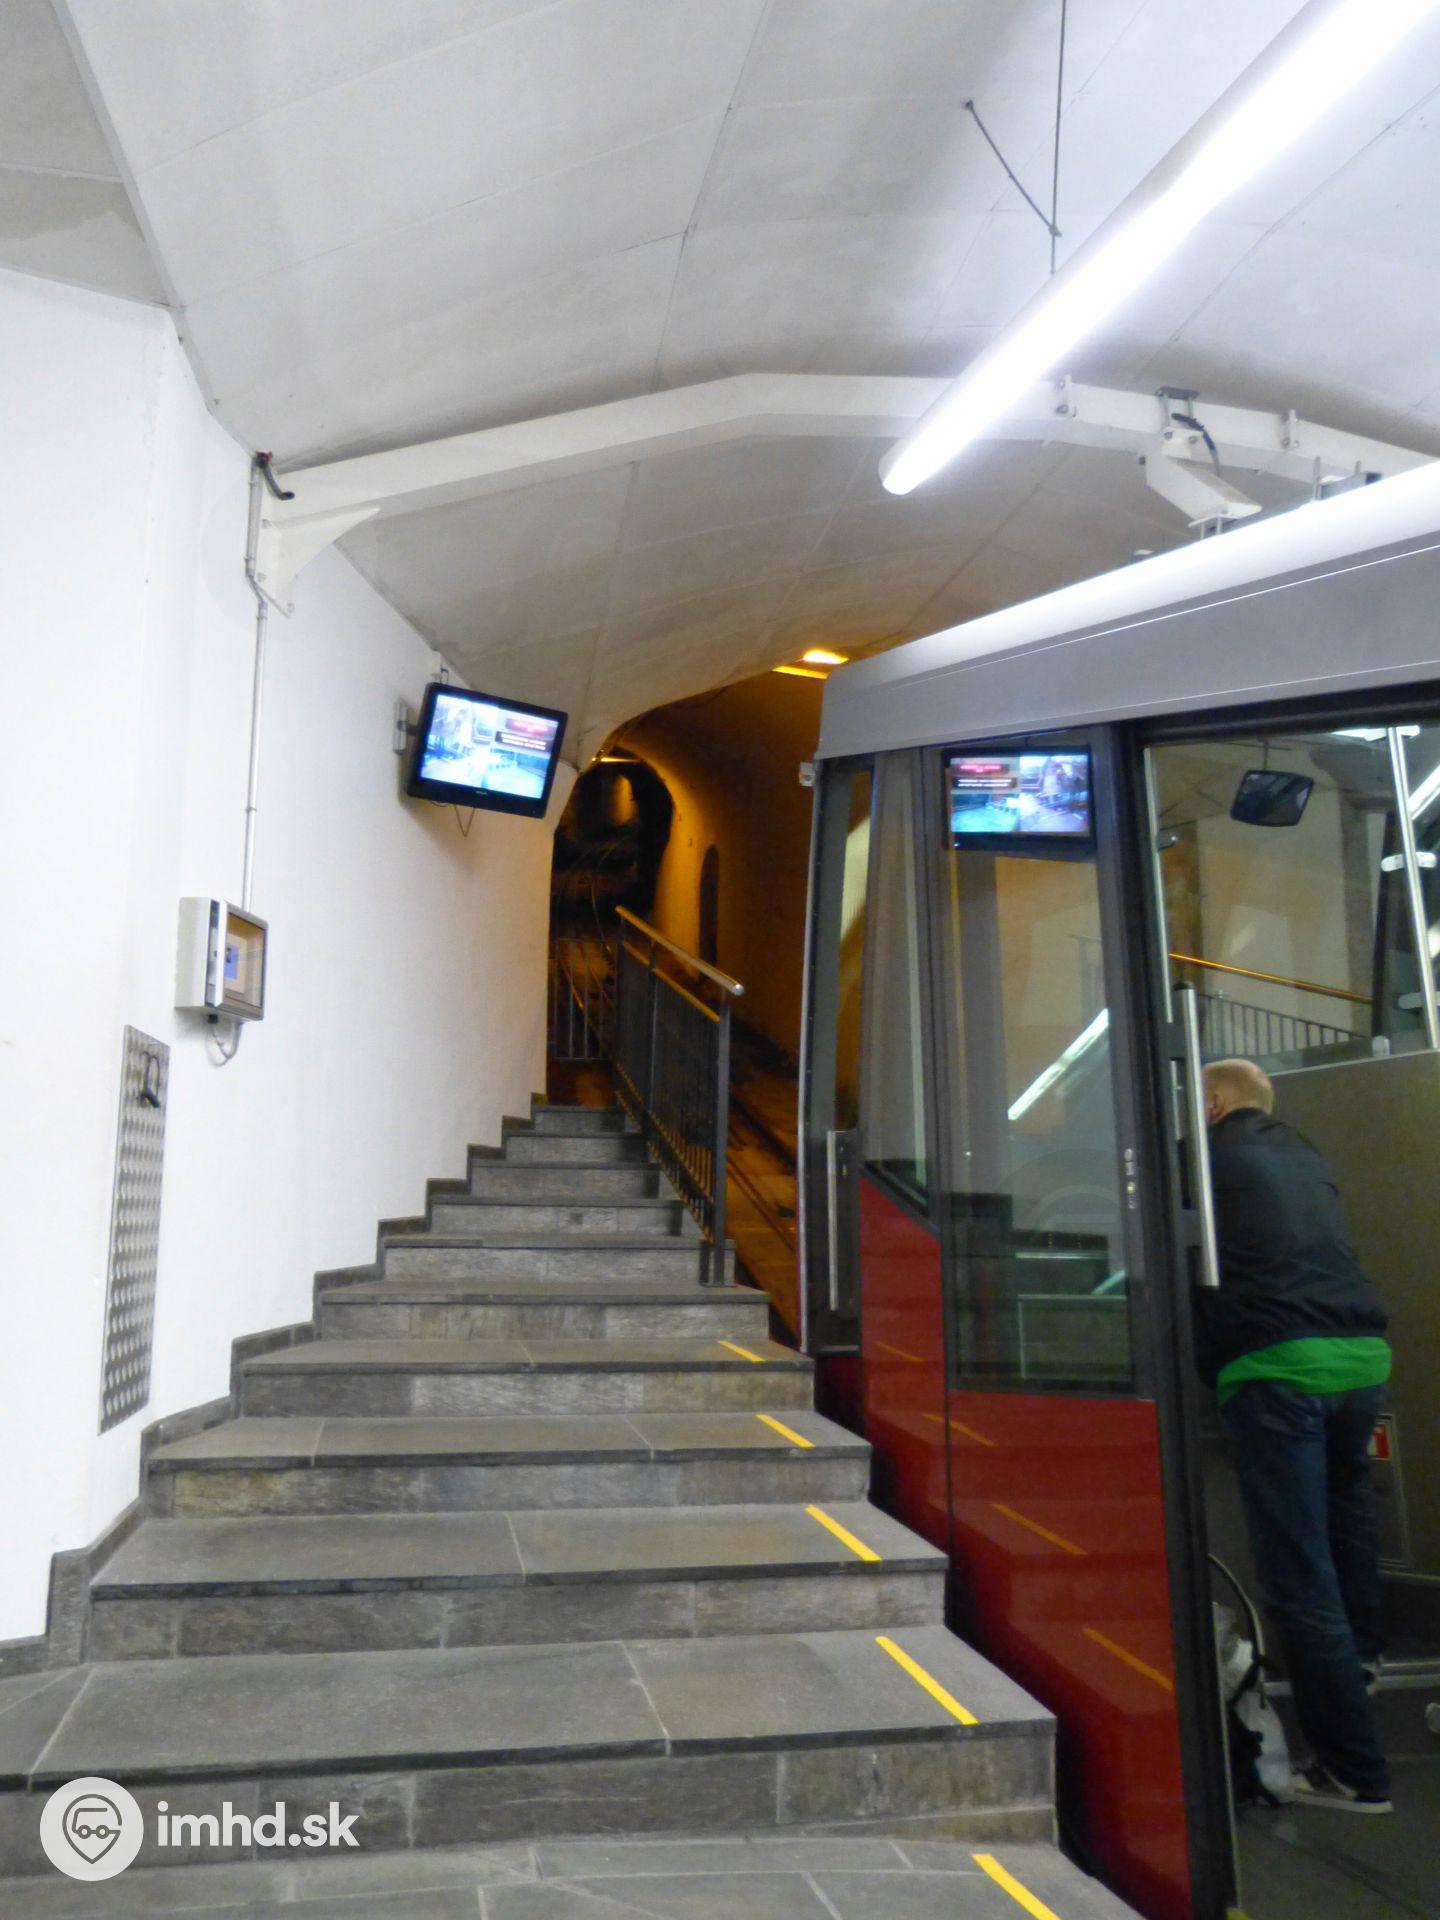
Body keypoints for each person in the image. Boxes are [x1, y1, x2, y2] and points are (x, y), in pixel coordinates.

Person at [1199, 1057, 1393, 1814]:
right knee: (1349, 1531)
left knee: (1299, 1576)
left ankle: (1352, 1770)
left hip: (1280, 1369)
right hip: (1360, 1360)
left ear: (1215, 1104)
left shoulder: (1208, 1161)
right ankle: (1363, 1664)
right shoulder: (1305, 1154)